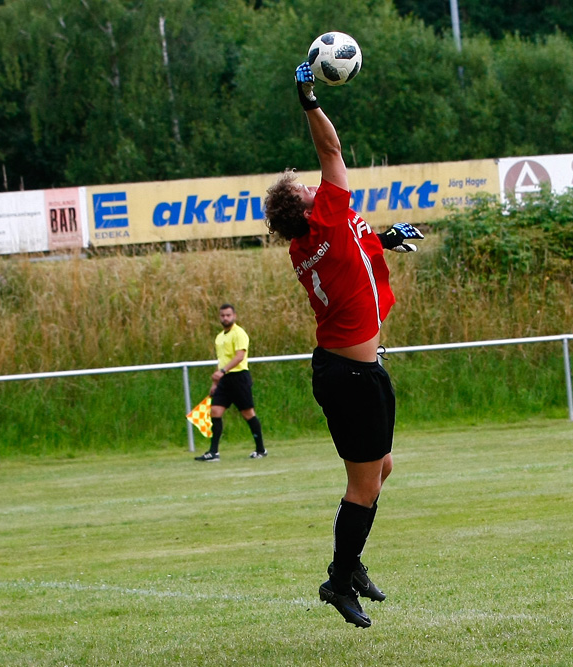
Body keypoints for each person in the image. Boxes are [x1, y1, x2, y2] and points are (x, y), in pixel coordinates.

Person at [263, 62, 424, 628]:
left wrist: (382, 239)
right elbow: (331, 148)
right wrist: (308, 98)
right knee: (364, 482)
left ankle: (350, 562)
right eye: (307, 189)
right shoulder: (326, 219)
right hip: (351, 377)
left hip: (352, 371)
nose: (316, 182)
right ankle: (338, 578)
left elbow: (349, 256)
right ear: (310, 209)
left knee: (381, 468)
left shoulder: (310, 240)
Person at [194, 303, 267, 462]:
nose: (225, 318)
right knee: (215, 412)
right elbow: (221, 360)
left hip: (239, 377)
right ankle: (214, 452)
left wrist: (223, 371)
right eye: (222, 315)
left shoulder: (239, 333)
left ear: (234, 316)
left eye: (228, 315)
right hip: (224, 379)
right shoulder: (220, 337)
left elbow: (239, 356)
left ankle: (261, 449)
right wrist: (216, 381)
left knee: (248, 414)